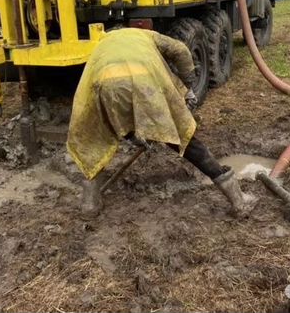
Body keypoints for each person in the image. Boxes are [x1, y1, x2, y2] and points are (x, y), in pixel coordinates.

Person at [67, 27, 253, 218]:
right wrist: (188, 86)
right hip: (144, 83)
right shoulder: (146, 35)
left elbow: (114, 100)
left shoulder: (103, 44)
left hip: (102, 85)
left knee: (96, 141)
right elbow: (180, 50)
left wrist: (132, 136)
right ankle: (238, 201)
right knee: (183, 138)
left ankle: (89, 205)